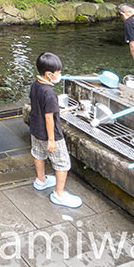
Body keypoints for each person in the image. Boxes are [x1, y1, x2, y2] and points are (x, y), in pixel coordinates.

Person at [28, 52, 82, 208]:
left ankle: (41, 181)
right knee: (62, 163)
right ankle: (59, 194)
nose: (60, 75)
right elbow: (49, 118)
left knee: (38, 154)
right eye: (58, 73)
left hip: (35, 130)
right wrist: (52, 140)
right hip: (51, 135)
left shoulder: (35, 85)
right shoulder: (50, 94)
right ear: (49, 74)